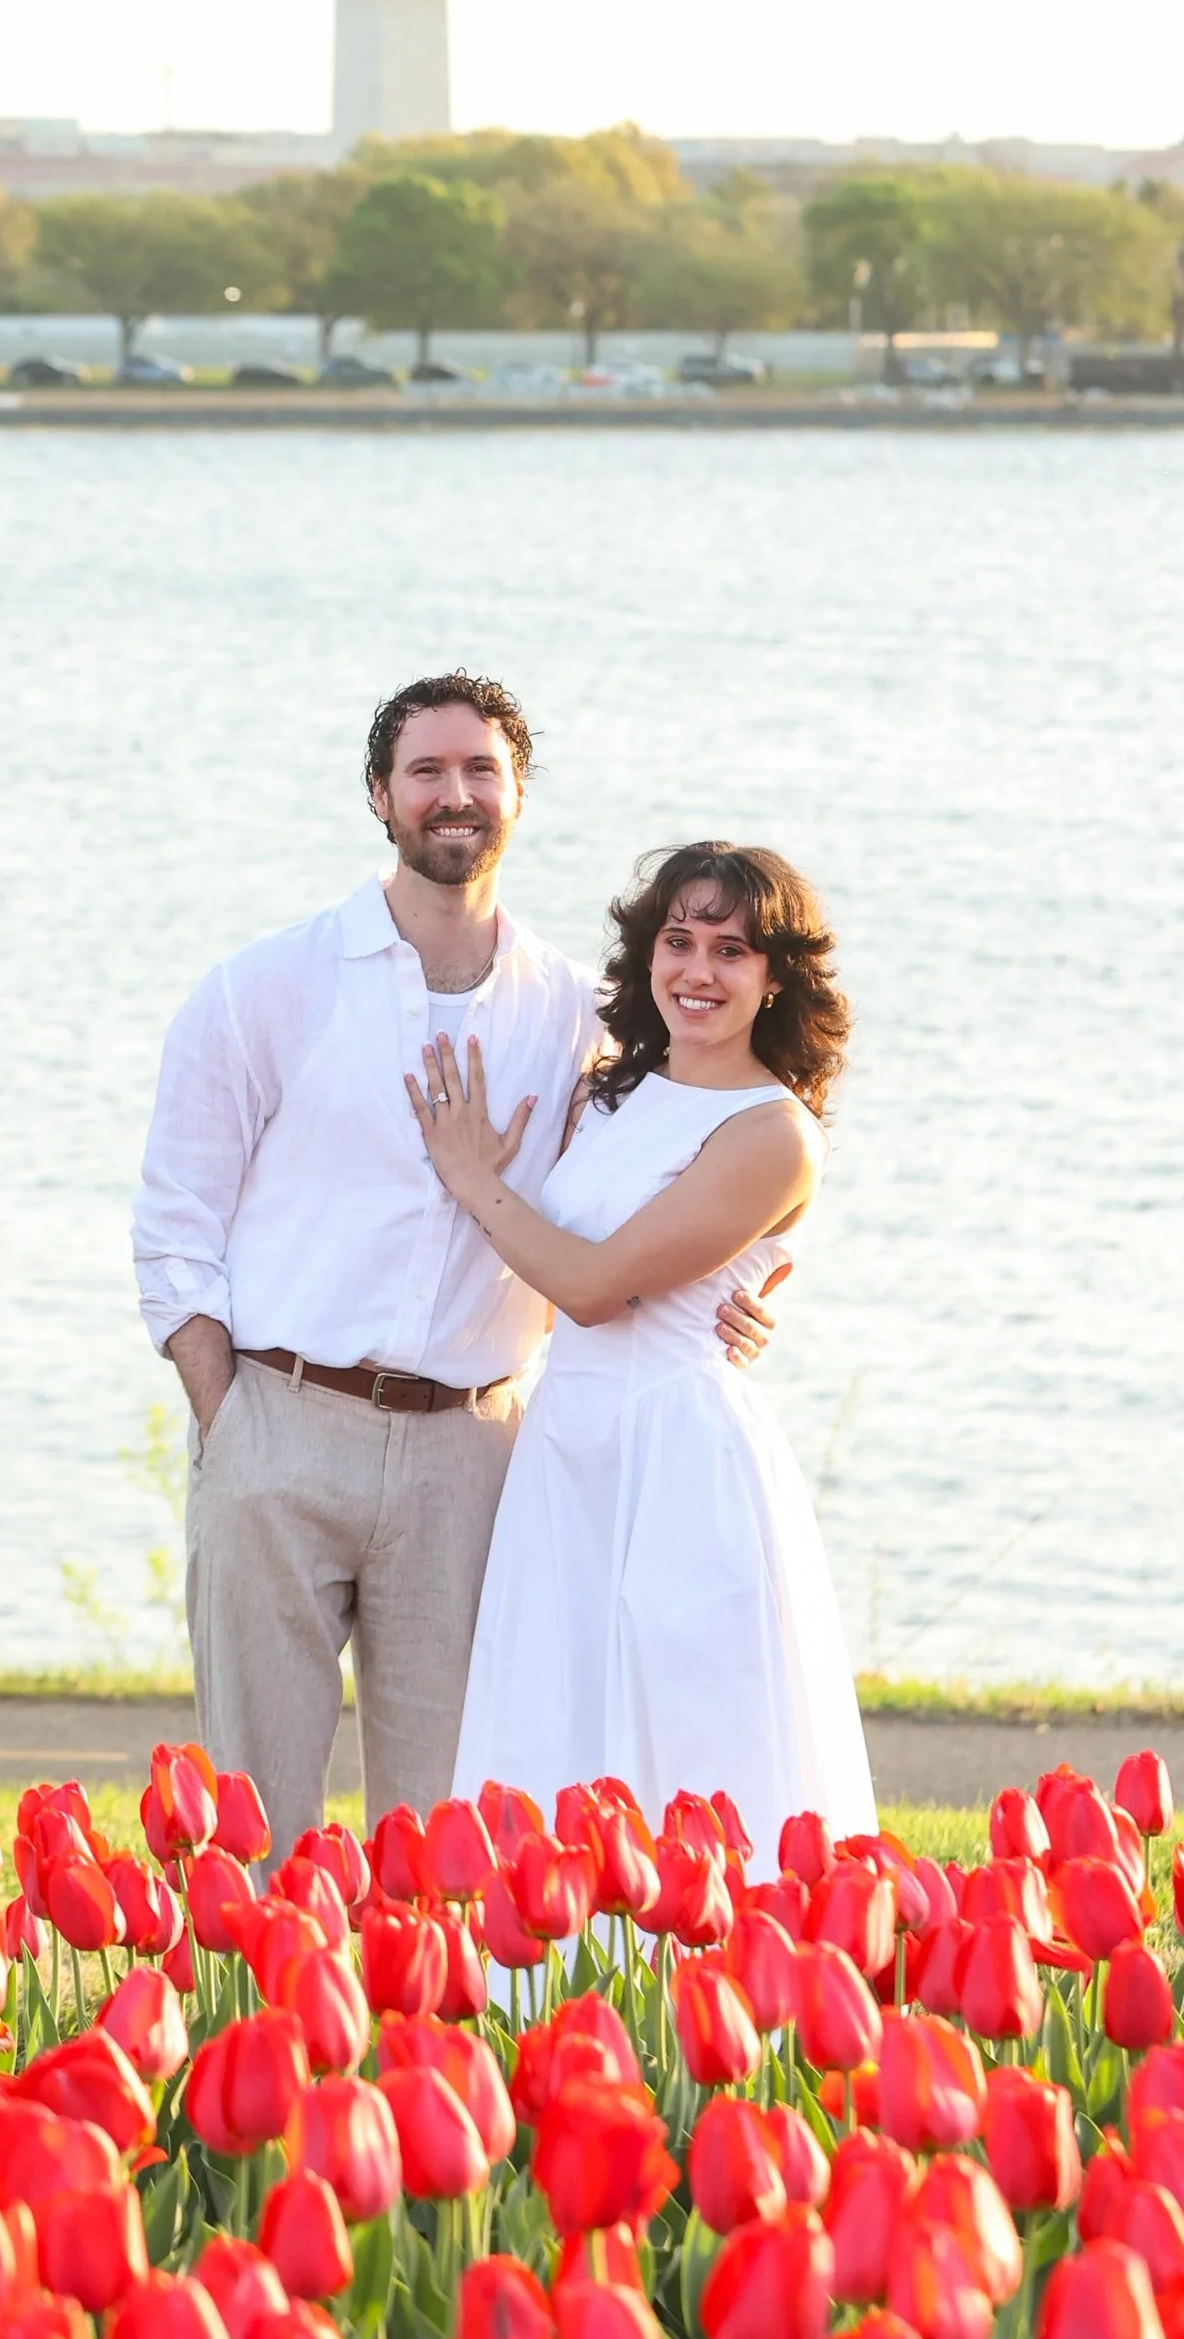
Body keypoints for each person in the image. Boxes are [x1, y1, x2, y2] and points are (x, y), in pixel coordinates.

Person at [129, 675, 780, 1855]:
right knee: (249, 1837)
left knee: (444, 1845)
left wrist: (748, 1289)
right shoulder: (263, 990)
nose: (455, 794)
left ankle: (412, 2045)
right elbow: (175, 1227)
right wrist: (229, 1415)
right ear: (380, 796)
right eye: (425, 771)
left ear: (519, 795)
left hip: (475, 1459)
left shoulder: (583, 1022)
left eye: (481, 770)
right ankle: (257, 2045)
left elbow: (697, 1162)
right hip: (281, 1427)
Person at [423, 840, 876, 1864]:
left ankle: (715, 1995)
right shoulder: (607, 1093)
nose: (698, 973)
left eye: (731, 951)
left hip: (675, 1458)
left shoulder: (773, 1133)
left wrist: (471, 1177)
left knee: (687, 1739)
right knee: (556, 1720)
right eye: (678, 942)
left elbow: (588, 1287)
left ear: (775, 979)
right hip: (566, 1447)